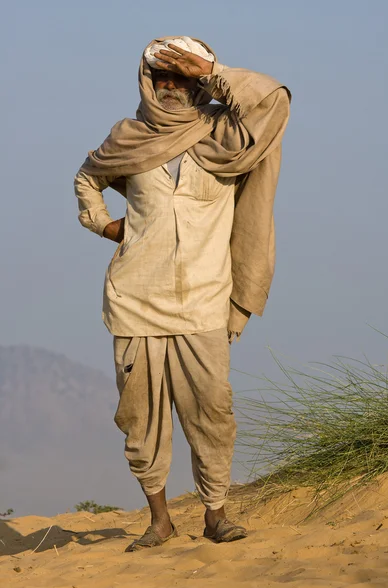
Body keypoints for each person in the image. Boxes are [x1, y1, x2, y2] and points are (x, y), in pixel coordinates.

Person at [74, 36, 290, 551]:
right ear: (148, 82)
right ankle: (159, 520)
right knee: (140, 417)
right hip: (135, 299)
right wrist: (105, 226)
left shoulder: (229, 135)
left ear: (199, 83)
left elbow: (275, 101)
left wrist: (214, 68)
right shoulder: (128, 137)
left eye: (183, 77)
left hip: (204, 299)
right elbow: (87, 177)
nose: (172, 86)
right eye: (162, 76)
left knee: (212, 410)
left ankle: (216, 515)